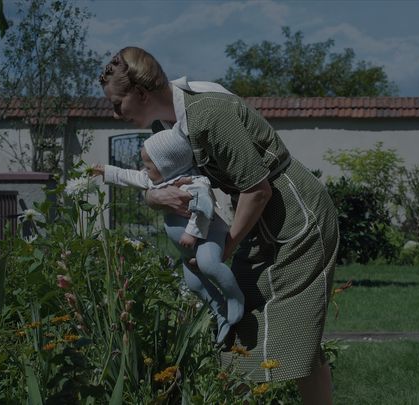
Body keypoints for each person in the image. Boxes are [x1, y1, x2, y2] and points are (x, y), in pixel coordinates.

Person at [99, 46, 339, 405]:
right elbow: (166, 182)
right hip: (262, 224)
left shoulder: (208, 115)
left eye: (117, 104)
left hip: (297, 219)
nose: (115, 114)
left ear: (141, 94)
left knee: (285, 332)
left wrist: (225, 249)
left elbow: (258, 189)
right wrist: (154, 197)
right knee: (252, 324)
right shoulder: (169, 125)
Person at [93, 125, 244, 345]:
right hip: (187, 248)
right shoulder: (159, 181)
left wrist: (192, 233)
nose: (144, 170)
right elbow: (131, 176)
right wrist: (106, 171)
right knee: (194, 284)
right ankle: (220, 312)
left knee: (209, 264)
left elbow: (205, 208)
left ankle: (234, 297)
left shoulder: (194, 183)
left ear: (167, 165)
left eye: (148, 165)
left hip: (207, 236)